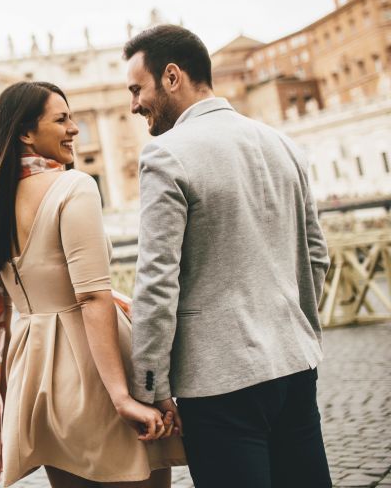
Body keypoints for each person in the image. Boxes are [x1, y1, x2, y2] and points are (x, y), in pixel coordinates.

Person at [0, 81, 184, 487]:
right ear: (25, 133)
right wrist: (123, 395)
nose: (74, 129)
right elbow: (91, 296)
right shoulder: (74, 186)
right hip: (94, 365)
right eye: (62, 120)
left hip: (32, 371)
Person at [124, 24, 331, 488]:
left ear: (172, 76)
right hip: (295, 366)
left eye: (138, 89)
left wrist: (151, 387)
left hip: (219, 383)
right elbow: (317, 255)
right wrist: (298, 330)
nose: (134, 104)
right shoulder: (283, 144)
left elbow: (157, 281)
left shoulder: (165, 154)